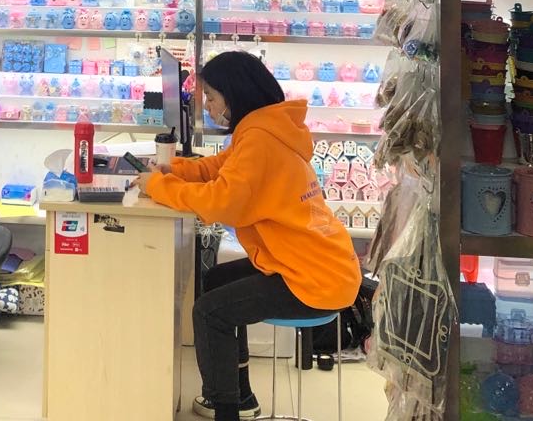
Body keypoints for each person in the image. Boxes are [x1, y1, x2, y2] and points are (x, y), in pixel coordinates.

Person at [130, 51, 362, 421]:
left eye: (211, 97)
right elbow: (216, 168)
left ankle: (226, 409)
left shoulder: (260, 140)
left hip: (312, 279)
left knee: (209, 313)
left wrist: (158, 186)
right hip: (310, 263)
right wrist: (172, 169)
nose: (207, 106)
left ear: (234, 95)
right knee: (216, 281)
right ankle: (241, 395)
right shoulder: (264, 129)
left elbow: (220, 202)